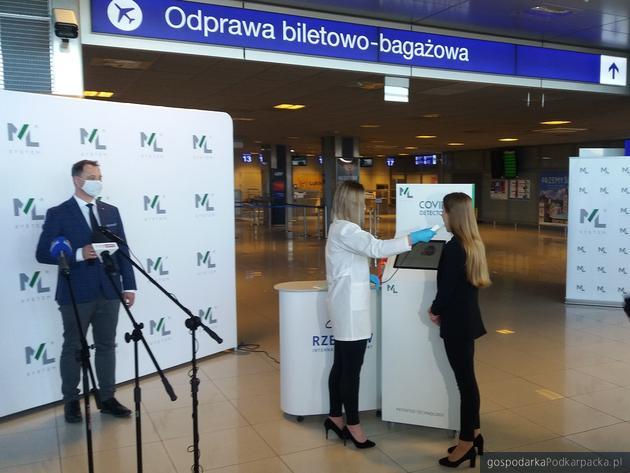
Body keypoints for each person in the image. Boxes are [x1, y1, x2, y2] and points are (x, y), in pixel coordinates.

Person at [325, 181, 435, 448]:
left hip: (344, 305)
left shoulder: (338, 228)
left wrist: (366, 276)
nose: (365, 206)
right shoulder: (347, 229)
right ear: (353, 203)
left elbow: (349, 262)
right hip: (350, 311)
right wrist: (412, 239)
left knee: (341, 365)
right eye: (362, 201)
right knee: (351, 370)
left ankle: (335, 417)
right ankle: (353, 425)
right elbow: (376, 248)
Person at [36, 160, 136, 423]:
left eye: (99, 176)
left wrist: (129, 285)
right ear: (77, 180)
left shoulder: (110, 211)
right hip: (75, 292)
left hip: (110, 290)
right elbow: (42, 253)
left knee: (107, 345)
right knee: (73, 347)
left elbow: (123, 250)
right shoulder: (58, 213)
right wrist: (79, 253)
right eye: (92, 177)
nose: (97, 181)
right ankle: (71, 401)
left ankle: (107, 398)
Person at [428, 192, 491, 468]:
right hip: (466, 320)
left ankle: (466, 442)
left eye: (443, 211)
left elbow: (446, 289)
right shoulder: (472, 243)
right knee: (467, 380)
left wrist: (435, 309)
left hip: (456, 323)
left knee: (465, 383)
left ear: (453, 215)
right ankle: (474, 433)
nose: (441, 215)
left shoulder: (454, 248)